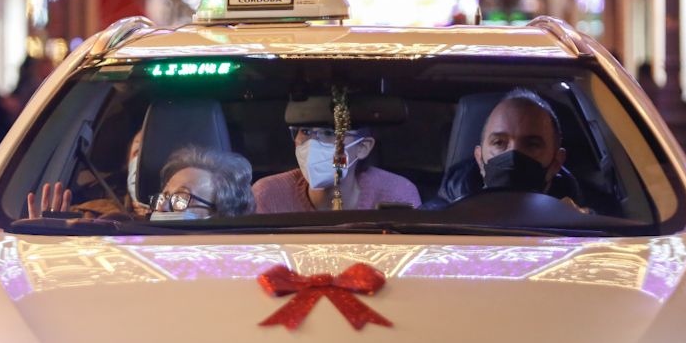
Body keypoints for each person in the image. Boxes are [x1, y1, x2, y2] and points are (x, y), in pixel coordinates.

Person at [28, 145, 255, 220]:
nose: (162, 206)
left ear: (219, 214)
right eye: (163, 196)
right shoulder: (116, 235)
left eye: (181, 199)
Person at [253, 122, 420, 213]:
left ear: (363, 147)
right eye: (305, 131)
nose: (312, 144)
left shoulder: (397, 194)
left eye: (328, 133)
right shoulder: (268, 195)